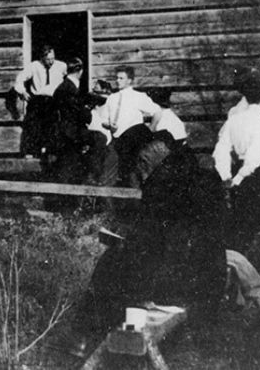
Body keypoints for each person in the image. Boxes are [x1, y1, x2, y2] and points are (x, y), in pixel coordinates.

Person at [69, 128, 226, 349]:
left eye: (136, 169)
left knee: (111, 264)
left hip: (180, 280)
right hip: (210, 275)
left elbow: (153, 243)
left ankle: (85, 336)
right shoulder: (198, 171)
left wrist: (124, 245)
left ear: (143, 162)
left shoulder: (161, 184)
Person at [213, 78, 260, 249]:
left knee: (241, 225)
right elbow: (255, 156)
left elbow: (220, 151)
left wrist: (227, 177)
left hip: (240, 173)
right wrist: (238, 179)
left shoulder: (233, 121)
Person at [102, 66, 159, 186]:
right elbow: (104, 120)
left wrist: (151, 128)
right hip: (116, 141)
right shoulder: (111, 98)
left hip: (133, 141)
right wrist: (109, 126)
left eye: (121, 78)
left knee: (132, 174)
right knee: (112, 174)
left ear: (130, 80)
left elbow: (157, 112)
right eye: (116, 78)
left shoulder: (138, 97)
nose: (118, 81)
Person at [13, 44, 67, 159]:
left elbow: (69, 80)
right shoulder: (34, 66)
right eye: (48, 59)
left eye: (53, 58)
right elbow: (19, 79)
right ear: (42, 58)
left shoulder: (61, 66)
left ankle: (51, 153)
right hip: (38, 100)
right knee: (33, 126)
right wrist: (23, 92)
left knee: (53, 126)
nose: (51, 62)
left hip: (54, 100)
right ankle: (31, 152)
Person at [48, 58, 92, 184]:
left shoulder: (62, 87)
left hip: (63, 131)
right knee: (70, 166)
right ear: (80, 71)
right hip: (71, 133)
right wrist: (88, 111)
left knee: (66, 165)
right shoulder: (71, 89)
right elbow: (79, 113)